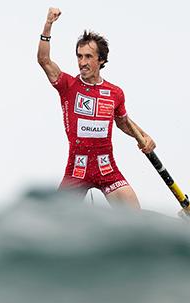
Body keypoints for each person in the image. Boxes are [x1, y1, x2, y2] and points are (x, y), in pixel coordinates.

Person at [37, 7, 156, 208]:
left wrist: (144, 137)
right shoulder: (68, 86)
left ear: (101, 60)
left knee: (134, 214)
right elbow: (44, 60)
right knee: (54, 220)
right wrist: (48, 25)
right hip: (77, 169)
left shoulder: (115, 93)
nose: (82, 62)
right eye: (79, 56)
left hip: (107, 168)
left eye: (88, 57)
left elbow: (123, 122)